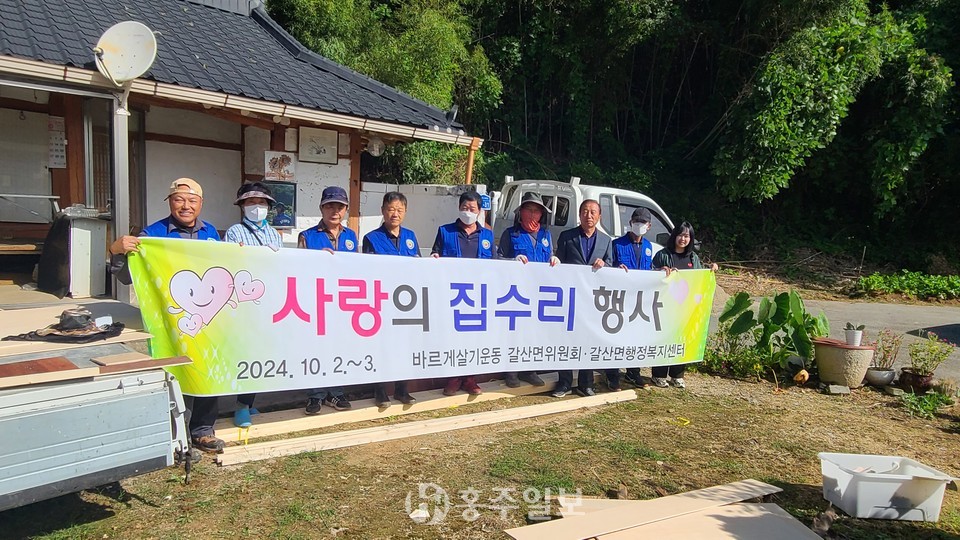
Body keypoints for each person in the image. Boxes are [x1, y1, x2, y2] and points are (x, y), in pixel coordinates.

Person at [108, 178, 224, 454]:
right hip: (168, 319)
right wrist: (116, 251)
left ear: (201, 204)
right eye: (179, 200)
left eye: (192, 200)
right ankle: (176, 435)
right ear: (170, 202)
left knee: (209, 368)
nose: (185, 206)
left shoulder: (211, 233)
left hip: (206, 318)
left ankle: (203, 431)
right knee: (175, 372)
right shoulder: (152, 235)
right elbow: (127, 277)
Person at [223, 181, 283, 427]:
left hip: (268, 300)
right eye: (251, 202)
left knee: (261, 352)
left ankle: (249, 401)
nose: (256, 207)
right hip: (244, 300)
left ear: (268, 207)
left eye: (261, 203)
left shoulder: (275, 234)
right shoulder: (235, 232)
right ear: (242, 206)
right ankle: (241, 404)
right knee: (246, 352)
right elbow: (227, 263)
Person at [431, 191, 498, 396]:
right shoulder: (445, 231)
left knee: (473, 338)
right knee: (452, 336)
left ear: (479, 211)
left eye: (472, 208)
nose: (468, 212)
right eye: (464, 208)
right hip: (452, 294)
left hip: (477, 295)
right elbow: (435, 254)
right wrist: (434, 257)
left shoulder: (487, 235)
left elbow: (495, 264)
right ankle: (453, 378)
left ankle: (470, 378)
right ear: (459, 208)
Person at [299, 186, 357, 414]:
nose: (335, 211)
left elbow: (356, 268)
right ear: (321, 208)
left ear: (346, 209)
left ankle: (336, 391)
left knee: (339, 346)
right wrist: (317, 260)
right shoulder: (308, 236)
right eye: (330, 206)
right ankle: (315, 395)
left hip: (343, 301)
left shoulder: (351, 236)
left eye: (340, 207)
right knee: (316, 347)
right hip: (316, 301)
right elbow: (299, 268)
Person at [362, 191, 420, 407]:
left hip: (406, 302)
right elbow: (367, 270)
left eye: (399, 210)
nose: (395, 214)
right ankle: (379, 390)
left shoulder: (411, 237)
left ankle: (402, 389)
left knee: (404, 345)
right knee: (382, 346)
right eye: (391, 209)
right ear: (383, 211)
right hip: (382, 300)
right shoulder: (371, 238)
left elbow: (418, 265)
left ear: (405, 212)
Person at [552, 199, 613, 398]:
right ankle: (564, 383)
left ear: (599, 216)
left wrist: (604, 264)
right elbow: (559, 263)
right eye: (585, 211)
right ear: (579, 214)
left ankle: (586, 383)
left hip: (593, 300)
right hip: (570, 298)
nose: (589, 215)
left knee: (588, 340)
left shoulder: (606, 240)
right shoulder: (567, 236)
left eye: (593, 212)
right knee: (566, 340)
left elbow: (611, 265)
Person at [498, 192, 560, 388]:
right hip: (516, 293)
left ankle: (530, 370)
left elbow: (550, 255)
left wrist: (554, 259)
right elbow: (497, 260)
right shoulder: (510, 234)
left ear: (541, 214)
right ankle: (511, 372)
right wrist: (512, 261)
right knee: (515, 332)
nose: (532, 214)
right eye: (529, 210)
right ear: (521, 212)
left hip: (539, 293)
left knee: (534, 332)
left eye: (536, 211)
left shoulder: (546, 235)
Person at [650, 221, 718, 388]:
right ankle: (658, 375)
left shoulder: (693, 258)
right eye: (680, 235)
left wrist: (711, 270)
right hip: (665, 306)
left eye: (686, 236)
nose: (683, 239)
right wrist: (660, 271)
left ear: (691, 239)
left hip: (685, 307)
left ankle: (677, 375)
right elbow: (649, 273)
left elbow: (700, 277)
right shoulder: (662, 255)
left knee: (681, 339)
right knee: (664, 339)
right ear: (674, 236)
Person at [611, 207, 656, 389]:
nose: (639, 225)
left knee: (636, 337)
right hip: (619, 299)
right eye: (636, 222)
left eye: (642, 222)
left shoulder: (648, 247)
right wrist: (616, 269)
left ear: (649, 226)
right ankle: (612, 374)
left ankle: (633, 372)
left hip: (639, 300)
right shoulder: (617, 244)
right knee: (616, 337)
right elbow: (608, 267)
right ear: (630, 223)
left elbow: (649, 271)